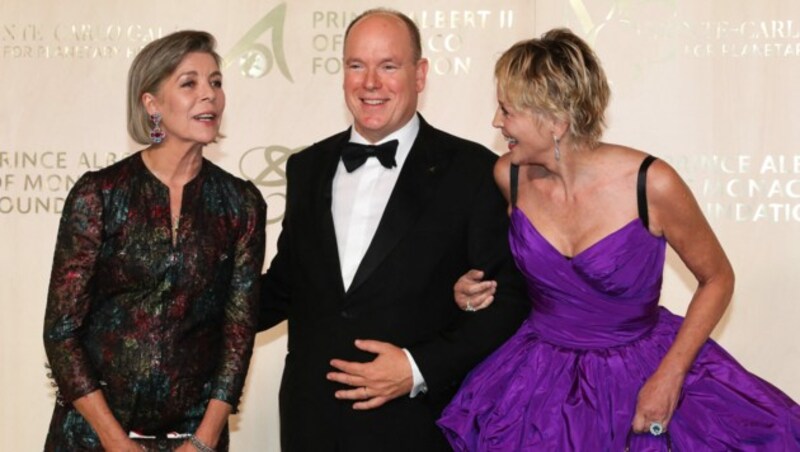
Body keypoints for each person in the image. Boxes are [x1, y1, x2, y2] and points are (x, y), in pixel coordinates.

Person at [437, 28, 800, 450]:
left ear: (555, 121)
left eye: (507, 111)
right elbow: (530, 275)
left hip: (639, 370)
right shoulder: (509, 177)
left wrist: (670, 376)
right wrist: (472, 290)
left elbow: (718, 278)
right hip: (536, 383)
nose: (497, 123)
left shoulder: (652, 184)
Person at [257, 8, 529, 451]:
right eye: (356, 65)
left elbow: (509, 300)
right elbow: (287, 286)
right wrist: (188, 309)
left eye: (388, 66)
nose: (370, 83)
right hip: (312, 423)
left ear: (420, 74)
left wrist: (416, 367)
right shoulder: (306, 168)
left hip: (417, 425)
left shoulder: (472, 170)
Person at [43, 30, 266, 452]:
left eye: (216, 82)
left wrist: (203, 440)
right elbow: (61, 332)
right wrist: (115, 441)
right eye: (190, 83)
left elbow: (237, 334)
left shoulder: (241, 204)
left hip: (193, 442)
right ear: (152, 104)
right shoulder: (100, 194)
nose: (210, 96)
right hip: (93, 439)